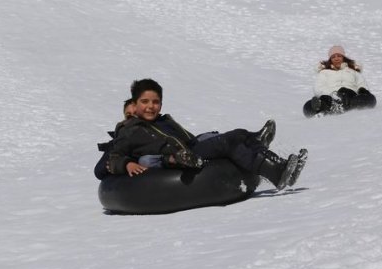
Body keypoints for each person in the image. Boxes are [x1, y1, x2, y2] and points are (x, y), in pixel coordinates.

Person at [105, 79, 305, 191]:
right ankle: (277, 172)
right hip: (178, 159)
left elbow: (187, 139)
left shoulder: (164, 120)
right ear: (135, 103)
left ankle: (273, 158)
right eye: (145, 102)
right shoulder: (129, 129)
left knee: (237, 135)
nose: (151, 106)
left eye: (155, 102)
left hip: (189, 150)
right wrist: (127, 164)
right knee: (228, 142)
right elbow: (114, 157)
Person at [304, 45, 377, 117]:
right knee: (308, 105)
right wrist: (332, 95)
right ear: (330, 59)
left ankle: (344, 106)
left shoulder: (353, 71)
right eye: (333, 57)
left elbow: (361, 83)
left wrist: (363, 90)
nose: (336, 59)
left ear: (343, 57)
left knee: (370, 98)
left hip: (351, 96)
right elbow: (319, 87)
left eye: (339, 56)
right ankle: (324, 108)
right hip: (331, 98)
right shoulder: (324, 72)